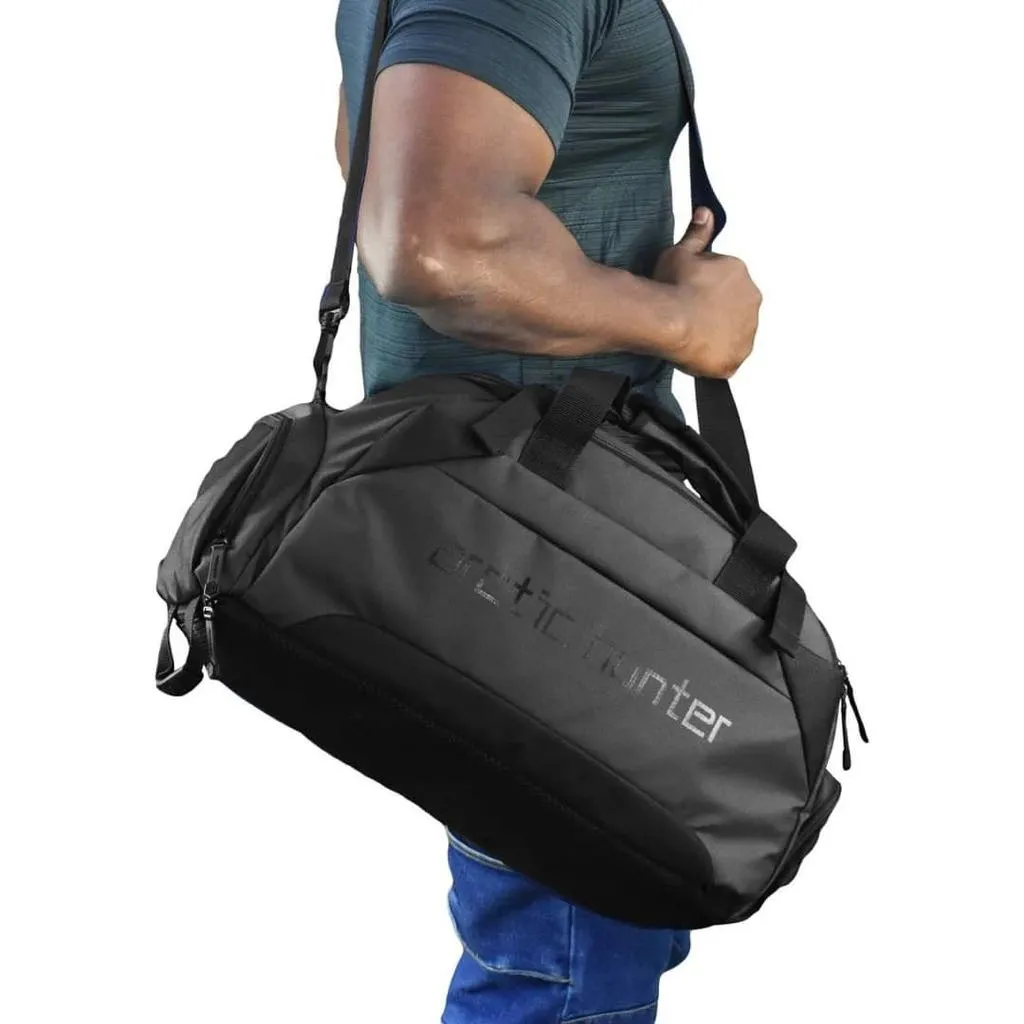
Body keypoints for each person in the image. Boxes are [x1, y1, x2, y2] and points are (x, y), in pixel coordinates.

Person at [334, 1, 761, 1020]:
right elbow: (427, 241)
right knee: (566, 970)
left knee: (583, 938)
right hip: (543, 566)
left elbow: (372, 152)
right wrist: (683, 321)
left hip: (513, 534)